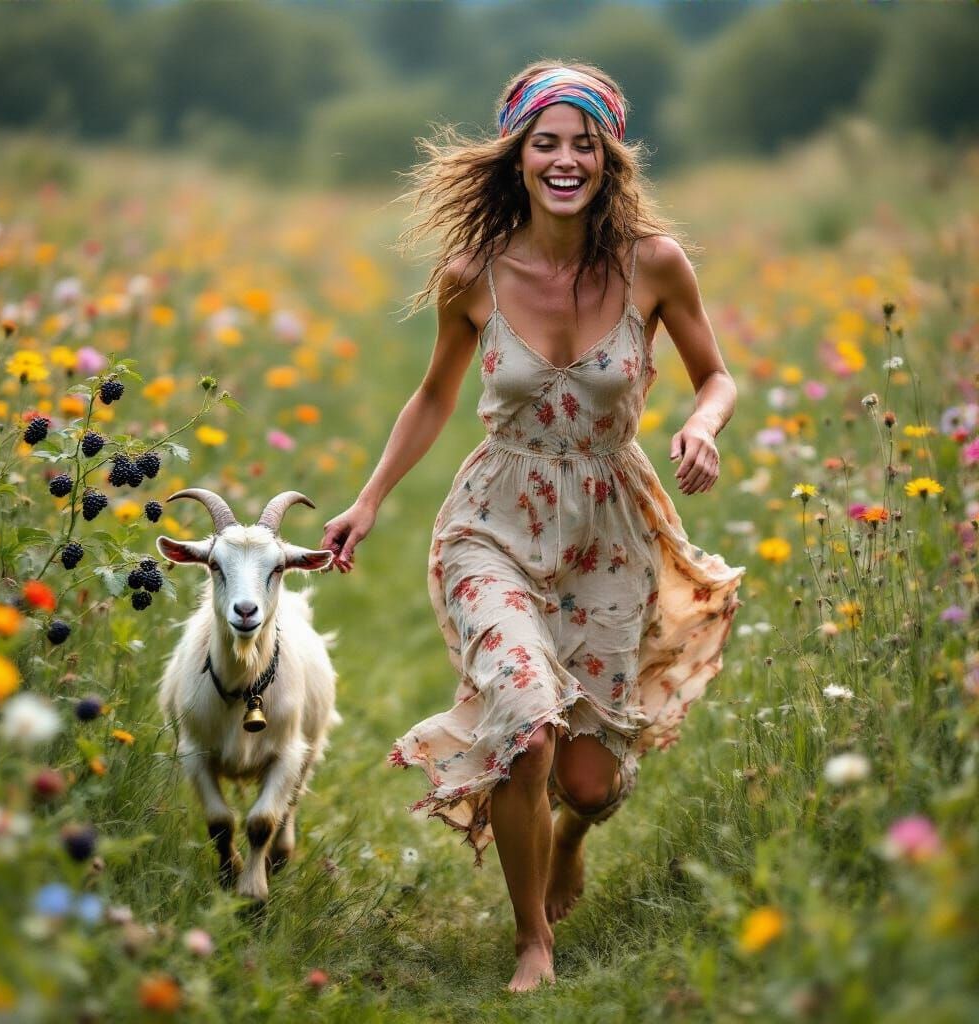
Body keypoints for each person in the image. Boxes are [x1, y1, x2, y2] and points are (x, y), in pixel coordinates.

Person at [320, 61, 746, 993]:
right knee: (526, 723)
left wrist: (701, 423)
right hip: (494, 524)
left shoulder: (655, 264)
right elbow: (434, 394)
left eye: (582, 144)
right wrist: (370, 497)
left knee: (588, 782)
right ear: (517, 157)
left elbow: (716, 374)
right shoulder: (473, 272)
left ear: (608, 158)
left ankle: (571, 840)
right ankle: (531, 945)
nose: (564, 159)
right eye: (544, 143)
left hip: (610, 528)